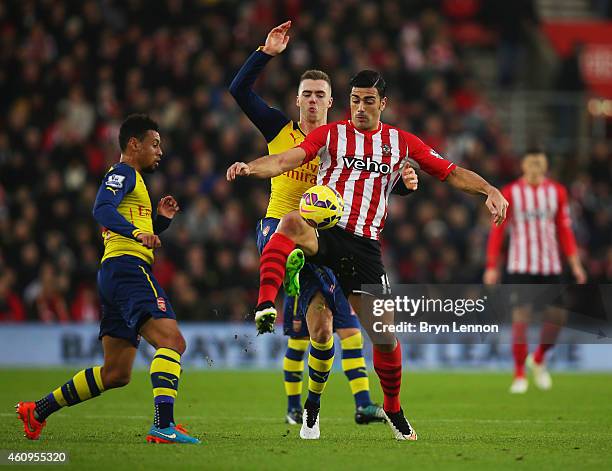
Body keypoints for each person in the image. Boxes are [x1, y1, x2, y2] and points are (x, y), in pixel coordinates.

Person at [227, 70, 508, 440]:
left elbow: (450, 172)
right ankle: (267, 306)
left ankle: (392, 408)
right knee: (293, 230)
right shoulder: (329, 134)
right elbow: (284, 161)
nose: (360, 107)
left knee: (385, 339)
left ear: (383, 104)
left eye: (368, 101)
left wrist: (489, 189)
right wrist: (251, 167)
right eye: (355, 100)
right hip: (324, 231)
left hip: (364, 248)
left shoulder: (400, 142)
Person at [229, 21, 417, 433]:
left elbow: (376, 182)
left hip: (331, 235)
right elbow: (239, 92)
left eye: (319, 95)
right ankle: (267, 302)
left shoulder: (342, 141)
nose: (312, 100)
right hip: (283, 223)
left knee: (325, 330)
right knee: (323, 313)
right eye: (306, 94)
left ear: (332, 102)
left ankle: (316, 406)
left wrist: (403, 186)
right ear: (297, 100)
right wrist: (266, 52)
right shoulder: (280, 129)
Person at [16, 114, 200, 444]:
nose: (161, 151)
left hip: (115, 273)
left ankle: (37, 410)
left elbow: (135, 230)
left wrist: (160, 223)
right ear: (133, 144)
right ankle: (163, 424)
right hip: (129, 270)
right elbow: (101, 209)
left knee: (116, 373)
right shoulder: (123, 172)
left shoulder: (137, 181)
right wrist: (136, 232)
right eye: (154, 144)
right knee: (172, 342)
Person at [484, 149, 586, 393]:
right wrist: (491, 266)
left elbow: (564, 229)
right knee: (521, 317)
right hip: (520, 265)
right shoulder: (510, 193)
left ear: (545, 166)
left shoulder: (557, 192)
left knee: (558, 317)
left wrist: (575, 264)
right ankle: (519, 374)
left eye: (539, 165)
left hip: (550, 265)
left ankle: (539, 358)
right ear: (523, 166)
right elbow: (498, 231)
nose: (535, 169)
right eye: (531, 165)